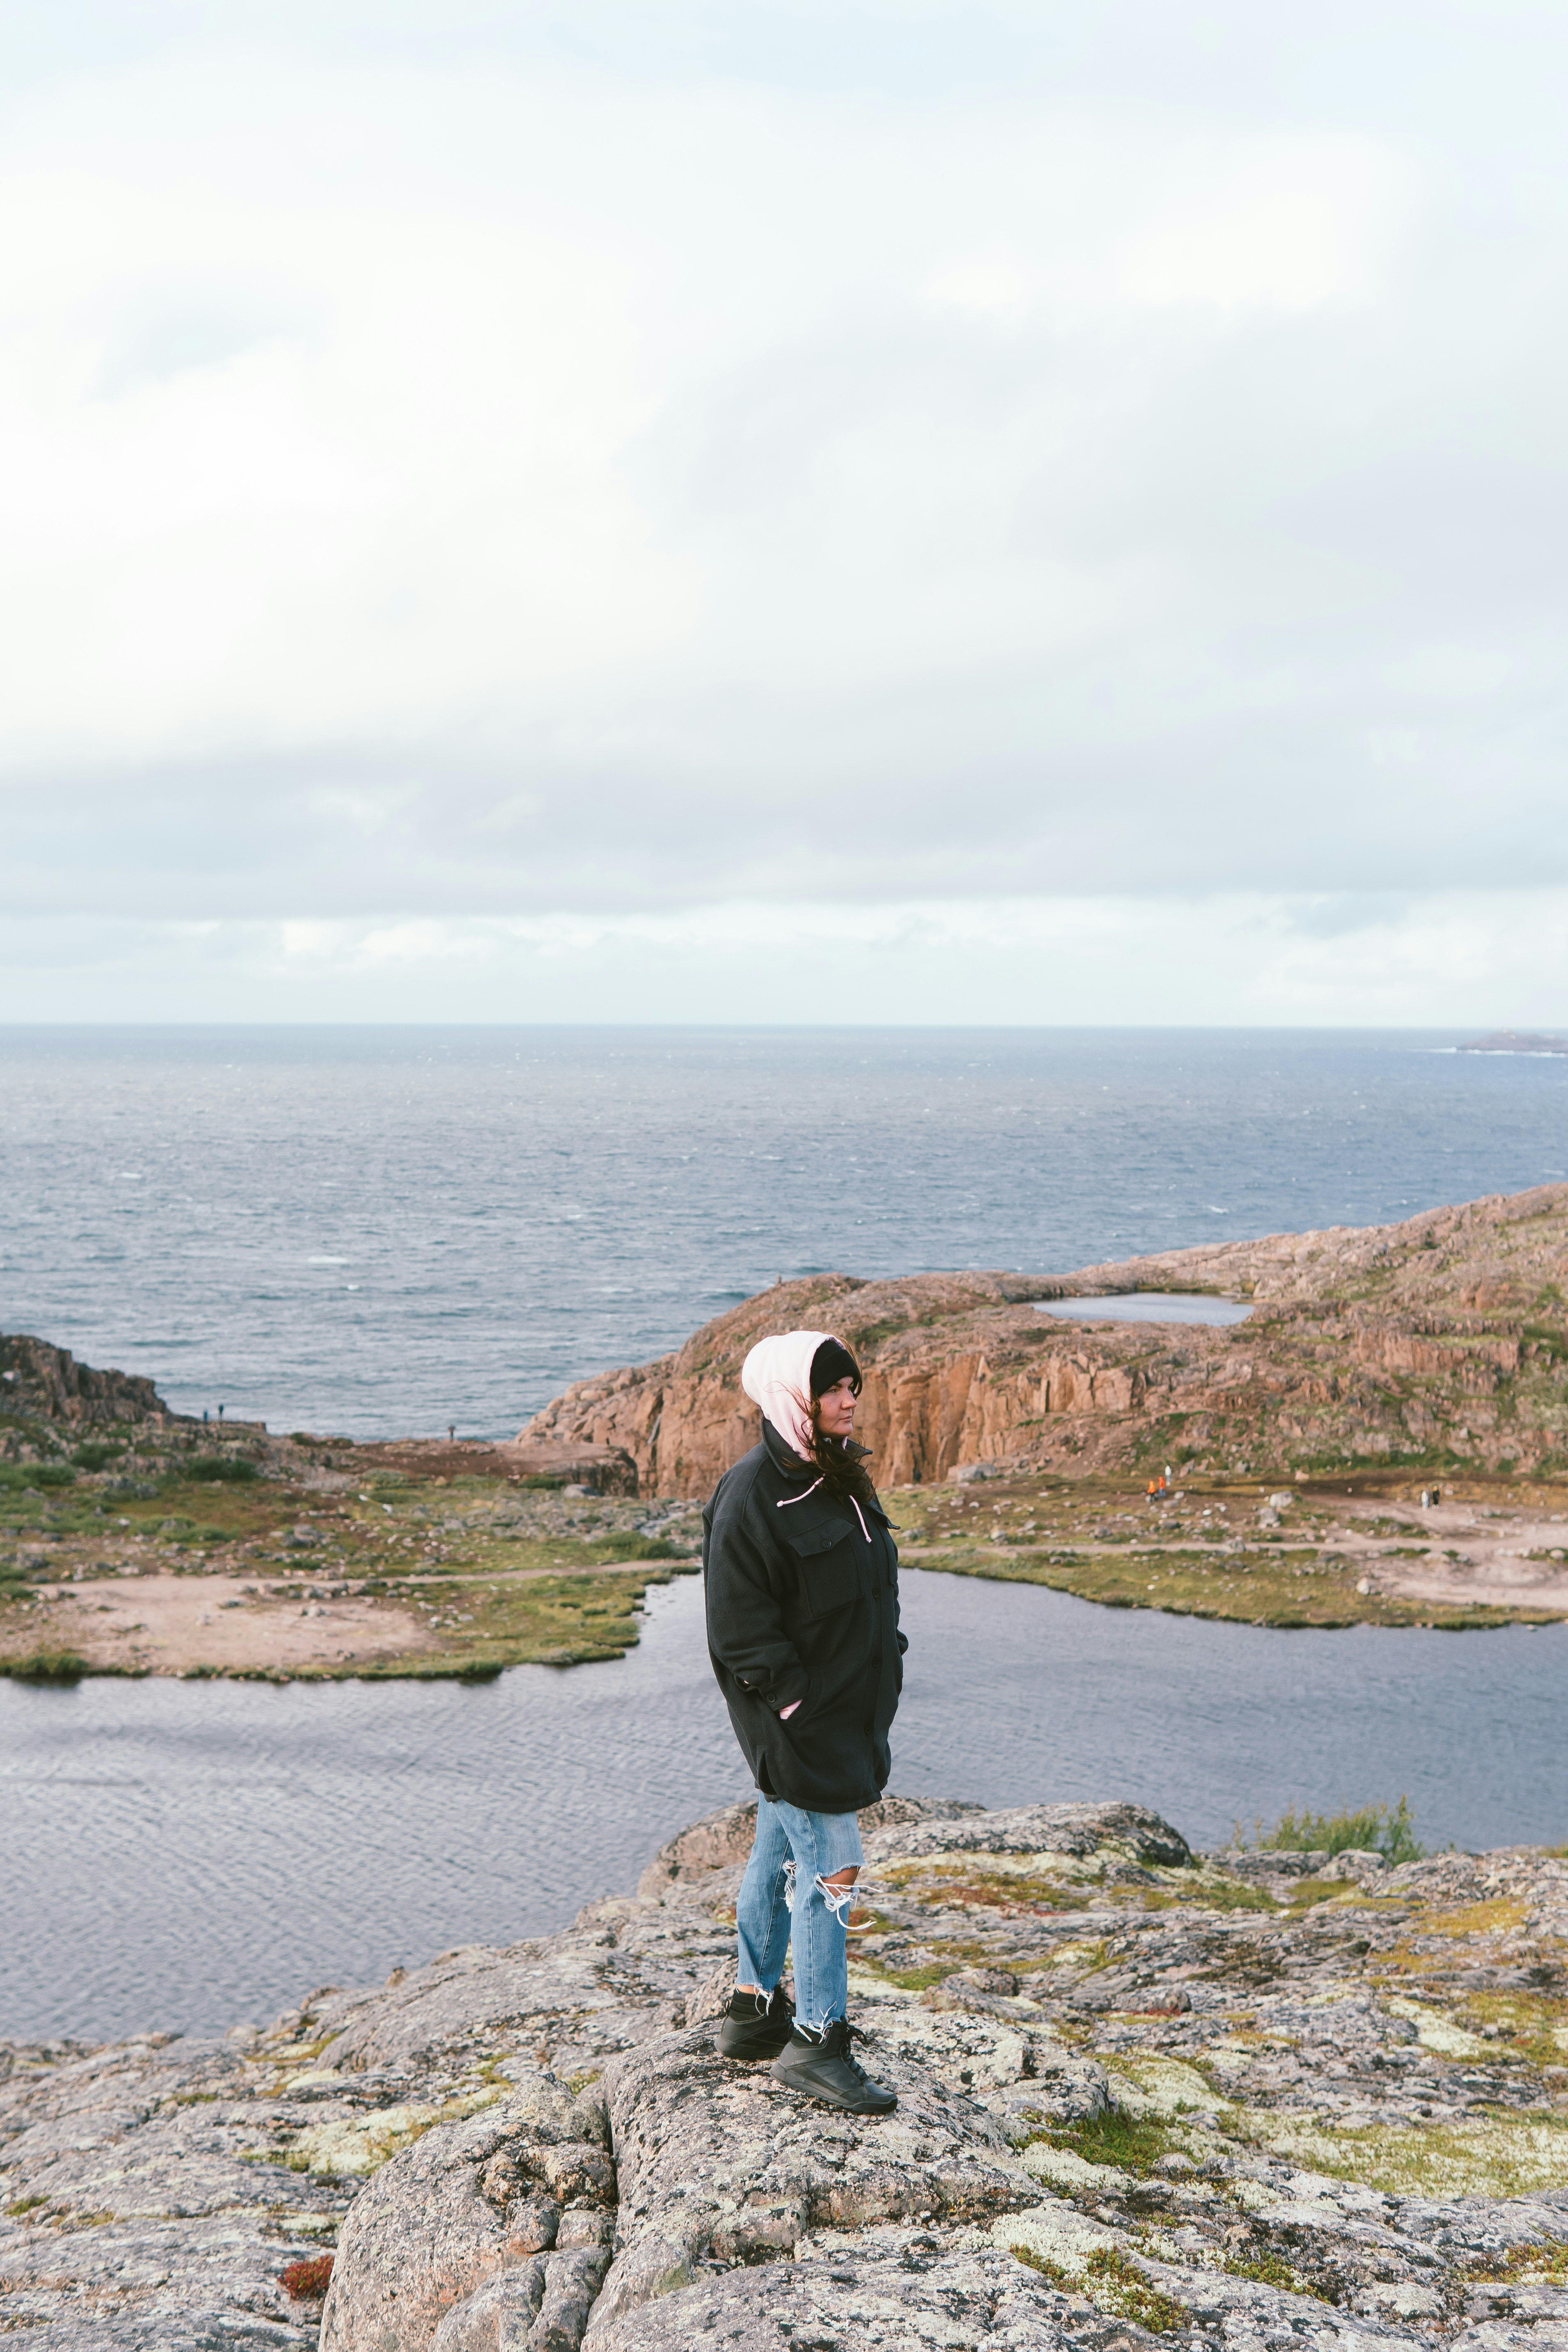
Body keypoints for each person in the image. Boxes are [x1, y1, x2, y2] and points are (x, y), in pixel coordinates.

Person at [702, 1328, 906, 2115]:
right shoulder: (754, 1495)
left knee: (773, 1856)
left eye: (851, 1386)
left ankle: (754, 2012)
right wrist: (796, 1704)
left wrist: (884, 1654)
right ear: (795, 1397)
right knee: (834, 1868)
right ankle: (818, 2041)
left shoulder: (834, 1475)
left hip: (844, 1713)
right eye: (831, 1389)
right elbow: (738, 1629)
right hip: (799, 1722)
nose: (848, 1399)